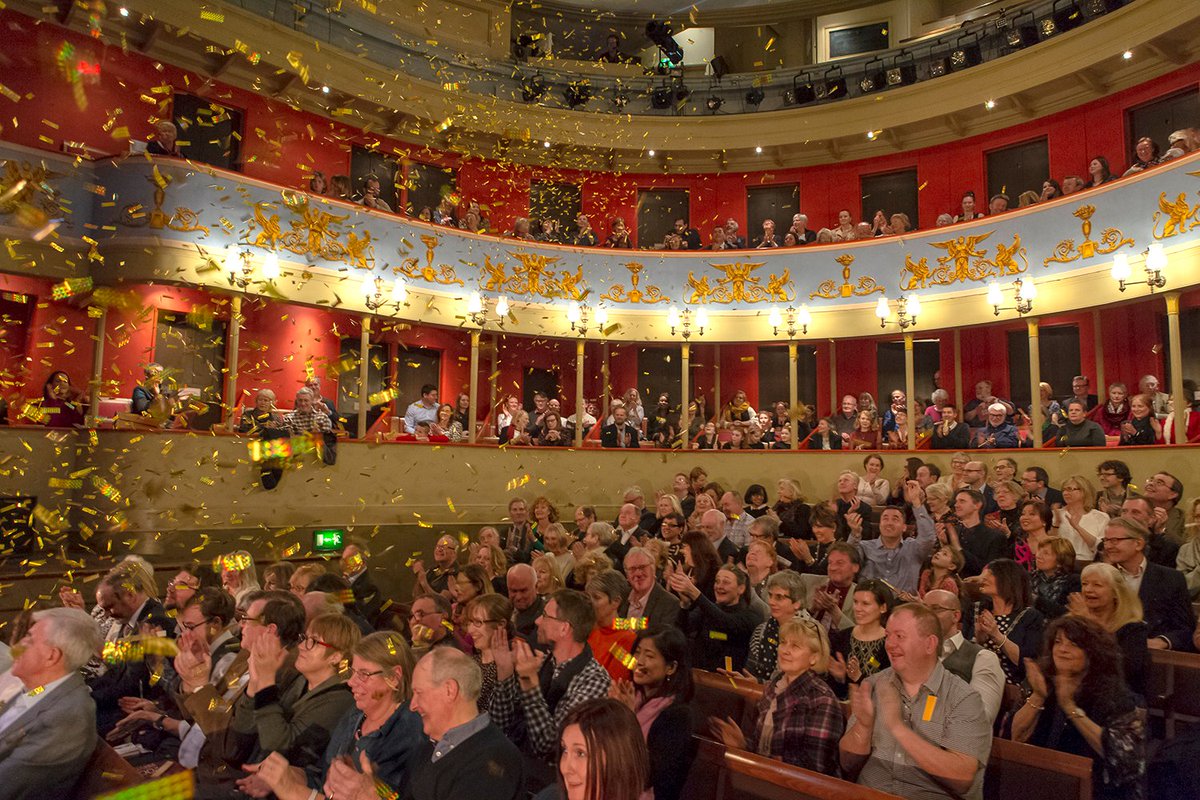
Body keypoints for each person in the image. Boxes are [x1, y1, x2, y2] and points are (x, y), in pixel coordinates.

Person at [244, 631, 424, 800]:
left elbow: (387, 797)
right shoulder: (356, 714)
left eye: (363, 674)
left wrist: (295, 791)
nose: (351, 682)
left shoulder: (409, 732)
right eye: (352, 672)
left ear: (393, 677)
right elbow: (322, 775)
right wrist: (284, 775)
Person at [839, 603, 991, 800]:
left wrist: (897, 727)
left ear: (929, 644)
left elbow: (962, 778)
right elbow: (846, 764)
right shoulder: (874, 684)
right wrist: (863, 727)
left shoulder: (963, 698)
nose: (889, 644)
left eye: (899, 636)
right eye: (888, 636)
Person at [1012, 616, 1147, 800]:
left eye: (1073, 644)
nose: (1062, 650)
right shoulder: (1043, 682)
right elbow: (1016, 737)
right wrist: (1038, 696)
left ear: (1093, 653)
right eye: (1058, 642)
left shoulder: (1115, 697)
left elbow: (1122, 758)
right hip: (1045, 783)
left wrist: (1070, 708)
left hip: (1099, 790)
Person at [490, 589, 612, 782]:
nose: (538, 621)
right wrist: (505, 672)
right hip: (516, 762)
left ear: (564, 628)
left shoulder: (593, 679)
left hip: (551, 781)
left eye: (546, 616)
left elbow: (549, 745)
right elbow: (500, 722)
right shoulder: (544, 662)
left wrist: (530, 684)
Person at [712, 618, 845, 775]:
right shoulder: (773, 687)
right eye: (783, 642)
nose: (784, 650)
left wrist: (765, 761)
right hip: (761, 779)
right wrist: (742, 745)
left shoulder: (822, 700)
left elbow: (814, 771)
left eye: (795, 646)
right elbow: (762, 747)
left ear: (814, 658)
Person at [0, 608, 102, 797]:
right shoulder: (39, 690)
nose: (17, 644)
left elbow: (7, 785)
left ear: (51, 656)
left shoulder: (67, 718)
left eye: (28, 639)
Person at [405, 648, 524, 800]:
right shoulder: (429, 746)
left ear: (449, 690)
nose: (412, 705)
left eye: (419, 693)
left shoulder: (494, 761)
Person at [607, 628, 694, 800]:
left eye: (649, 656)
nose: (638, 661)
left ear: (671, 667)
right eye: (637, 653)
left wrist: (627, 718)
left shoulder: (678, 716)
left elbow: (647, 776)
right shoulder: (631, 696)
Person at [1101, 517, 1195, 650]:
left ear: (1138, 544)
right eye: (1106, 541)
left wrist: (1161, 642)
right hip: (1108, 652)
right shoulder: (1100, 577)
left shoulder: (1171, 579)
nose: (1108, 546)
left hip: (1153, 657)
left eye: (1115, 540)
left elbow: (1185, 628)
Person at [534, 698, 649, 800]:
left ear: (618, 760)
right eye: (565, 750)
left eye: (580, 753)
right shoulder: (550, 796)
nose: (565, 768)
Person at [924, 590, 1005, 725]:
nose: (926, 616)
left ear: (955, 616)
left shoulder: (983, 658)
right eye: (922, 610)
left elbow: (980, 720)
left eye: (936, 609)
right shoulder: (911, 652)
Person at [1071, 562, 1150, 698]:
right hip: (1077, 691)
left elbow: (1123, 670)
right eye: (1085, 584)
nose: (1088, 590)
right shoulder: (1074, 622)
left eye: (1097, 585)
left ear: (1115, 592)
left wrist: (1089, 621)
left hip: (1118, 698)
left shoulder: (1134, 629)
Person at [850, 481, 938, 596]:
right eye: (885, 519)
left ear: (904, 527)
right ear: (880, 524)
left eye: (895, 519)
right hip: (869, 604)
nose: (889, 523)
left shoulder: (913, 548)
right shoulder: (865, 547)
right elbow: (848, 560)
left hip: (902, 607)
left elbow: (928, 538)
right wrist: (855, 533)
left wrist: (916, 502)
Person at [971, 559, 1046, 691]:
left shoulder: (1031, 617)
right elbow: (963, 654)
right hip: (974, 680)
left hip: (1012, 686)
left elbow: (1027, 663)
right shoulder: (976, 610)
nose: (984, 578)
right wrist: (979, 639)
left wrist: (996, 635)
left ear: (1008, 580)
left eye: (991, 574)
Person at [670, 564, 759, 672]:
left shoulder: (750, 616)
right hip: (697, 674)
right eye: (717, 581)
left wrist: (694, 593)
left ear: (741, 588)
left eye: (726, 582)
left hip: (726, 682)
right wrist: (685, 604)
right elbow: (681, 631)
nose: (719, 586)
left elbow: (726, 622)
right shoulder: (706, 610)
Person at [827, 579, 893, 699]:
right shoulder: (841, 637)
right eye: (855, 602)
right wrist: (840, 678)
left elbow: (888, 690)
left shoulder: (891, 645)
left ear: (883, 607)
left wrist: (859, 678)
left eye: (865, 604)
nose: (858, 608)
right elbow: (833, 690)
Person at [744, 570, 809, 682]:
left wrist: (759, 683)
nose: (771, 602)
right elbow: (750, 670)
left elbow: (798, 682)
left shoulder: (809, 634)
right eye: (770, 595)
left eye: (779, 597)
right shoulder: (762, 630)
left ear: (797, 602)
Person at [619, 547, 680, 634]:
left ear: (653, 569)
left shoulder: (669, 603)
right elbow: (614, 624)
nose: (638, 573)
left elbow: (660, 639)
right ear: (627, 575)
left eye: (642, 567)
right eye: (632, 569)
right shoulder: (622, 596)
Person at [950, 488, 1007, 578]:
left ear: (977, 505)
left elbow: (987, 569)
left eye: (962, 501)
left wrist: (958, 549)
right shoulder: (953, 532)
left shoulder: (994, 537)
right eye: (956, 501)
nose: (956, 505)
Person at [1031, 536, 1080, 620]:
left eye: (1046, 553)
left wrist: (1036, 600)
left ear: (1060, 561)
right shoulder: (1030, 577)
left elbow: (1069, 613)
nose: (1038, 555)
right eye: (1039, 550)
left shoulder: (1073, 581)